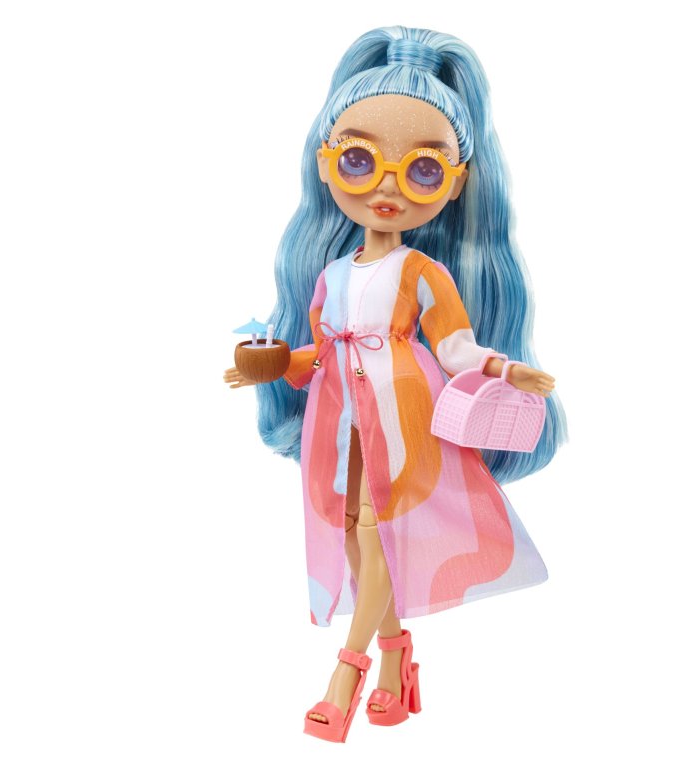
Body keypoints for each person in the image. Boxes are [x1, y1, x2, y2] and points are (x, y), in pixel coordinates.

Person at [224, 25, 567, 743]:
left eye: (422, 171)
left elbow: (456, 345)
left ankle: (344, 676)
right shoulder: (330, 275)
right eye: (359, 160)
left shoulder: (421, 271)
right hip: (338, 423)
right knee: (354, 540)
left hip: (403, 418)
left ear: (456, 183)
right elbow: (318, 353)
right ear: (327, 165)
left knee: (375, 537)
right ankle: (395, 660)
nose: (386, 185)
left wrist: (506, 369)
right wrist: (271, 364)